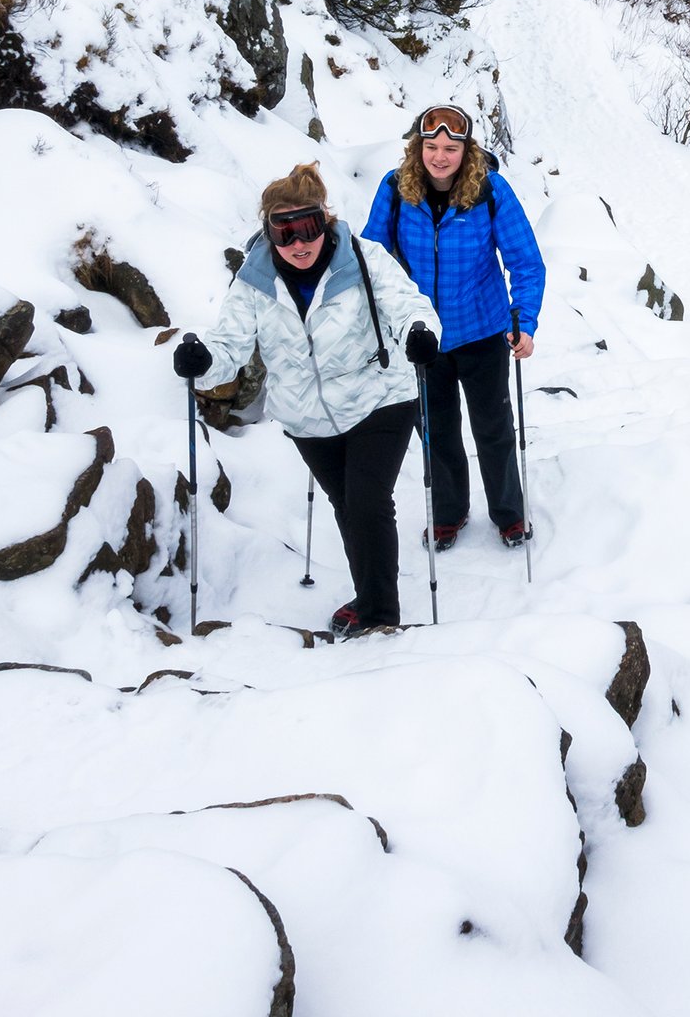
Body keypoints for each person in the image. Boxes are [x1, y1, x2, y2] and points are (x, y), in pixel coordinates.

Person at [172, 163, 439, 637]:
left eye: (309, 227)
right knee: (347, 505)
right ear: (268, 232)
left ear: (325, 220)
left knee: (367, 502)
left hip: (379, 396)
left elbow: (408, 306)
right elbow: (229, 346)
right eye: (284, 232)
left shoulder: (363, 258)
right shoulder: (254, 281)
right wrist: (202, 362)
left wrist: (420, 333)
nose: (299, 243)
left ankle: (381, 616)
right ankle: (369, 597)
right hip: (306, 416)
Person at [364, 103, 546, 550]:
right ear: (418, 147)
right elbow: (373, 260)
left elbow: (525, 260)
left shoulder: (490, 190)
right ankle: (449, 513)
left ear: (467, 150)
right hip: (422, 336)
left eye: (451, 148)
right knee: (436, 431)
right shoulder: (395, 189)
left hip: (483, 331)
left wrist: (523, 320)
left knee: (494, 427)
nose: (440, 157)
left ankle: (509, 513)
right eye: (432, 146)